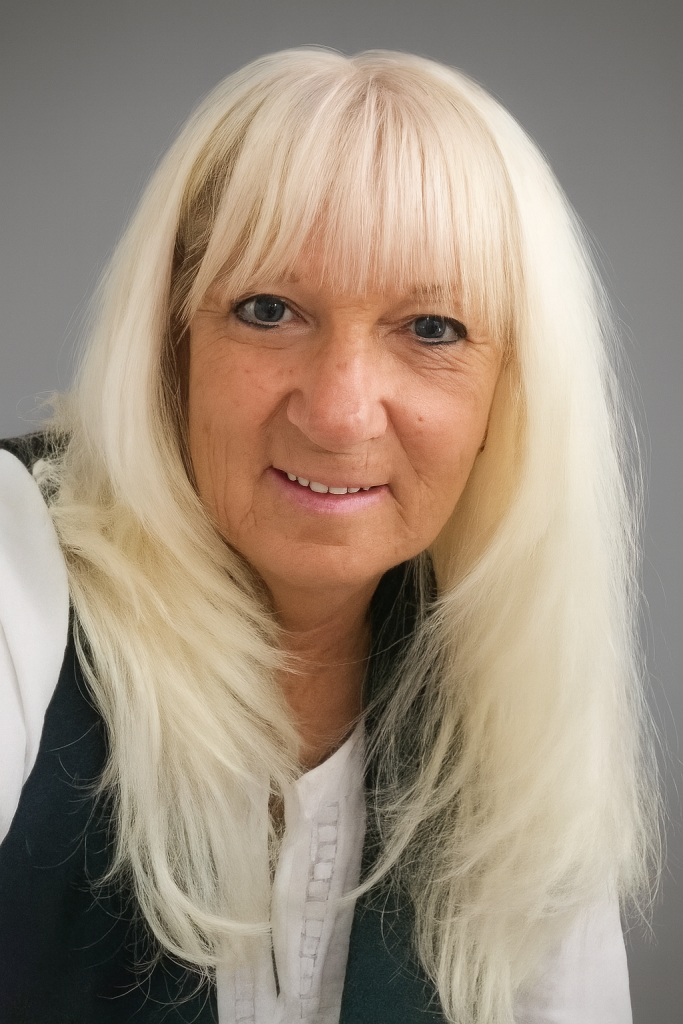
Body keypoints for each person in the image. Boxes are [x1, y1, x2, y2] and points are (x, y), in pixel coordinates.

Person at [0, 48, 658, 1024]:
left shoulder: (506, 695)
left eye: (430, 329)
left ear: (508, 395)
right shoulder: (15, 562)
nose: (340, 413)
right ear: (170, 346)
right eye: (267, 311)